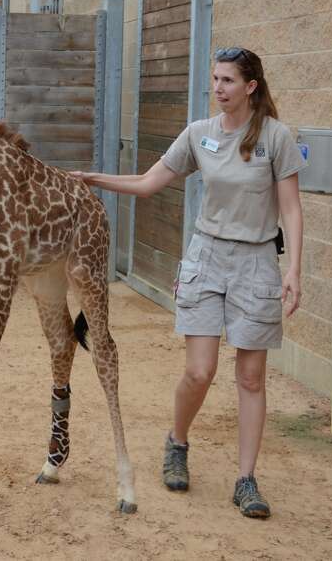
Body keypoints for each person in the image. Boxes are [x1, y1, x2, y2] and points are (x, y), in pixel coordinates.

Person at [71, 46, 305, 519]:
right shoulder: (199, 134)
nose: (218, 89)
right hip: (207, 256)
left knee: (251, 376)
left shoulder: (276, 138)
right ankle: (177, 441)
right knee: (200, 371)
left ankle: (246, 480)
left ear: (250, 87)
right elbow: (148, 183)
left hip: (257, 262)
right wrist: (93, 178)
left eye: (227, 81)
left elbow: (292, 209)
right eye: (215, 80)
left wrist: (295, 269)